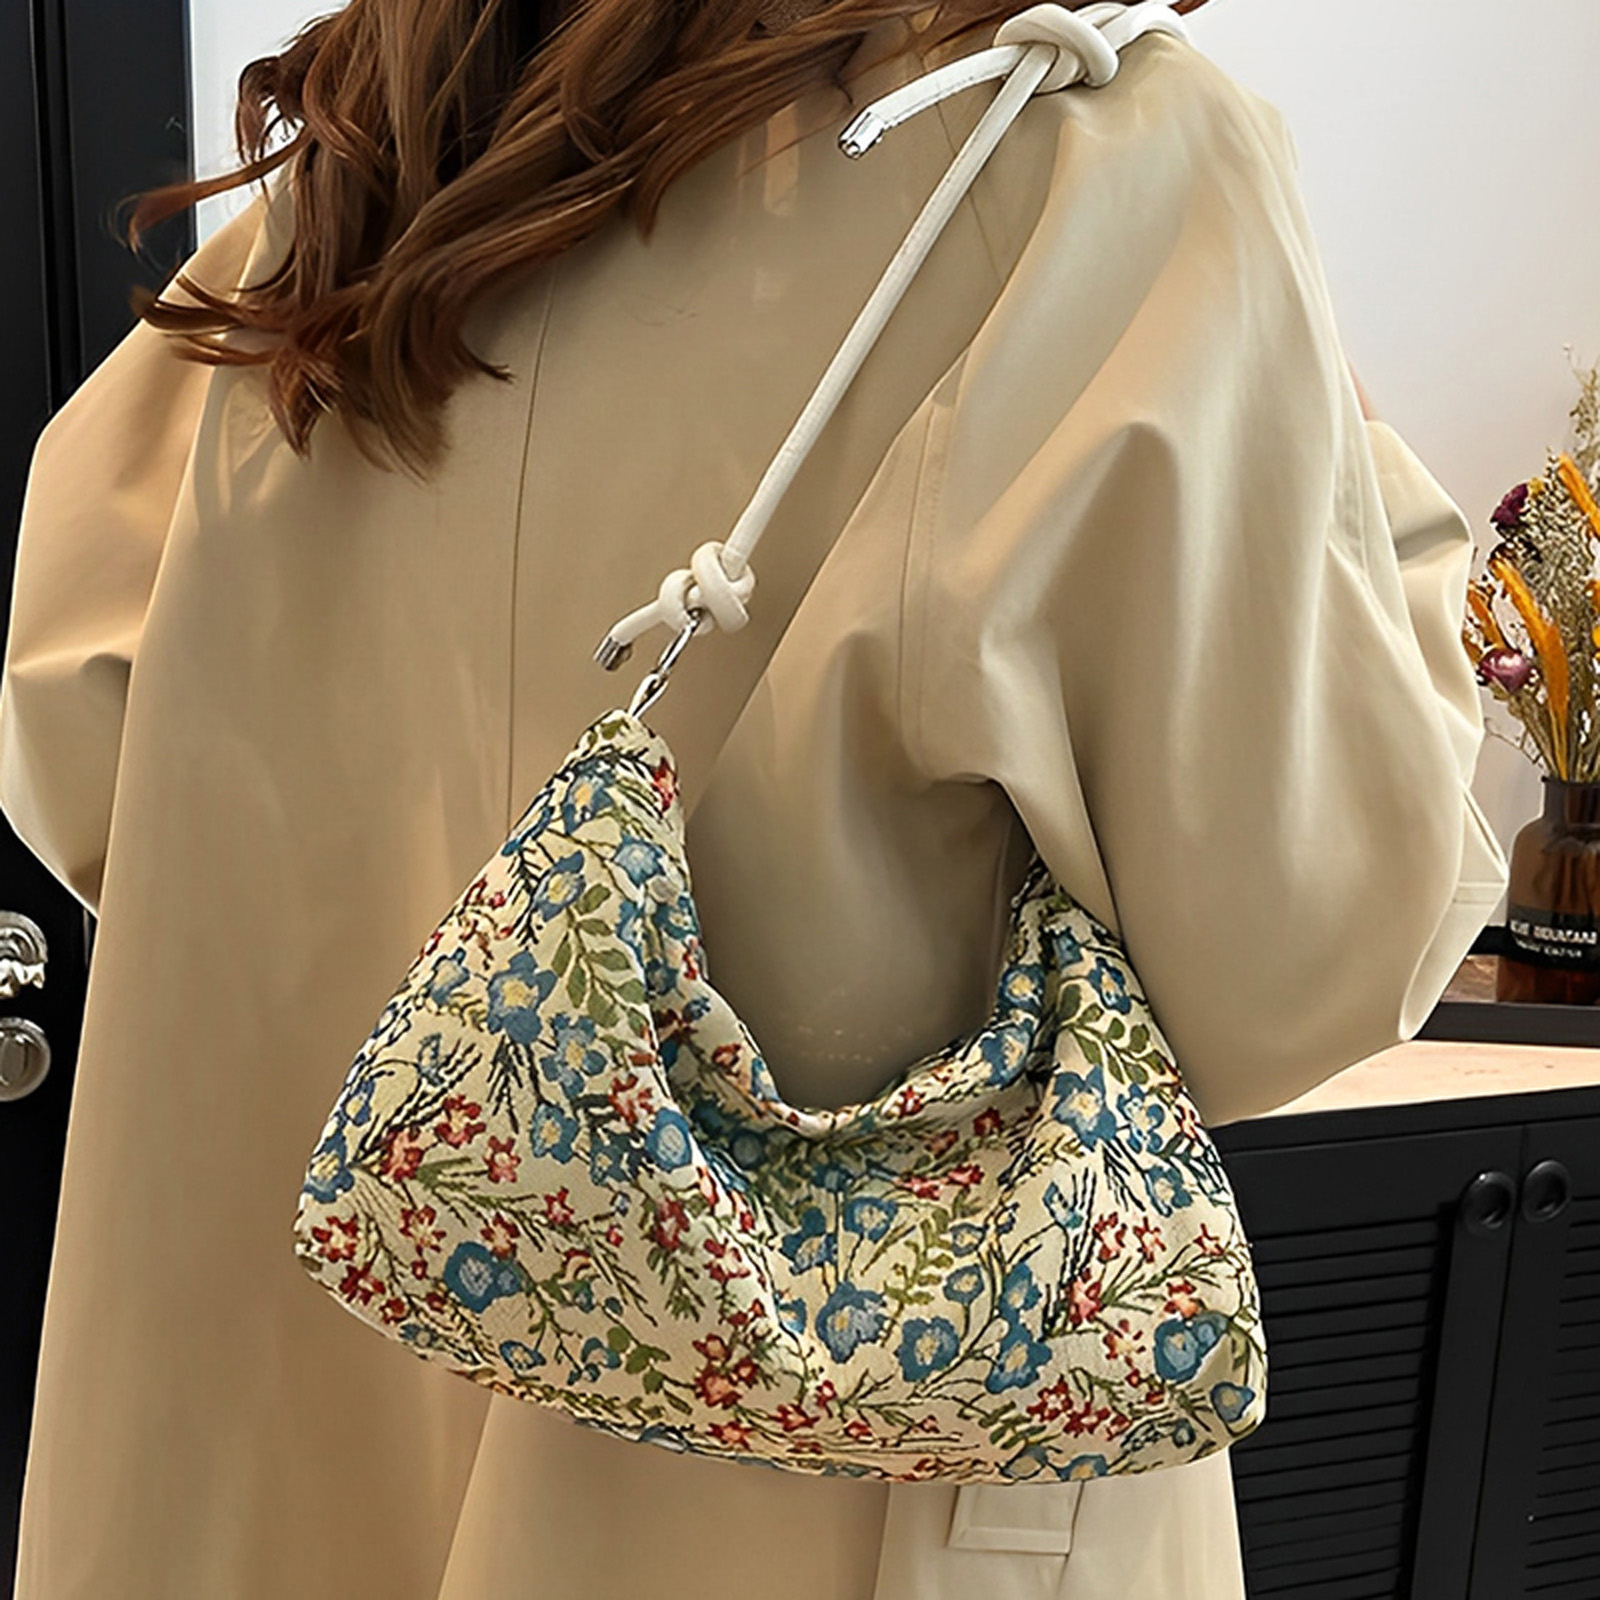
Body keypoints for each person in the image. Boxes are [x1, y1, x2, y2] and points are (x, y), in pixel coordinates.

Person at [0, 0, 1508, 1596]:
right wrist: (1371, 503)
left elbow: (79, 721)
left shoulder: (378, 165)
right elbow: (1303, 950)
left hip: (271, 1431)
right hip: (802, 1487)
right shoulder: (1096, 160)